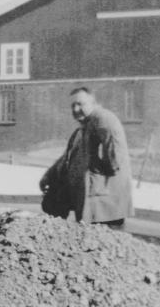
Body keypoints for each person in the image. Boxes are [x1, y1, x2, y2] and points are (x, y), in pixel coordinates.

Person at [39, 87, 133, 228]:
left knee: (103, 240)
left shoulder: (103, 119)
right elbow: (68, 157)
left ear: (93, 103)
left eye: (80, 104)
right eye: (73, 105)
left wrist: (95, 174)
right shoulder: (82, 129)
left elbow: (115, 161)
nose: (75, 109)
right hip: (91, 204)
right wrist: (49, 175)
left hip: (103, 206)